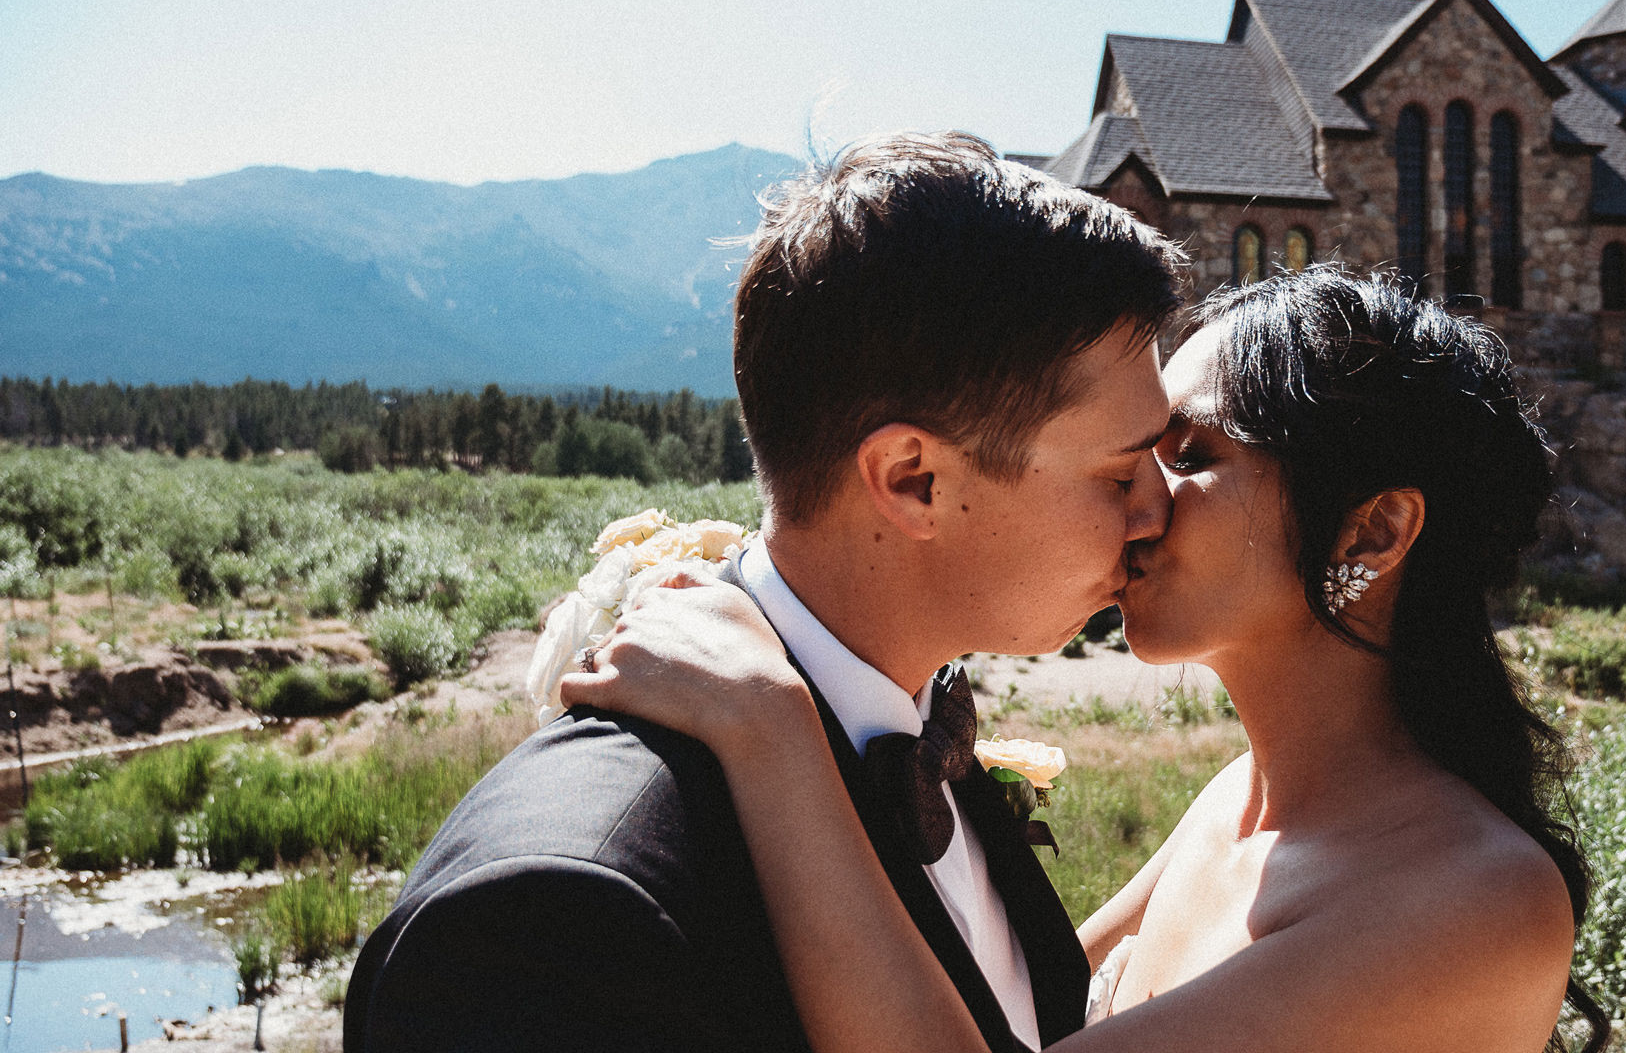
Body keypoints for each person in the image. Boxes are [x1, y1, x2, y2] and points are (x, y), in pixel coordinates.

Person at [562, 266, 1612, 1052]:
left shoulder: (1477, 899)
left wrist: (769, 726)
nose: (1138, 500)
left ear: (1371, 533)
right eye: (1130, 456)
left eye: (1192, 457)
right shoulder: (1235, 799)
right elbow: (1008, 1000)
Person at [342, 131, 1186, 1052]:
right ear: (913, 481)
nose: (1159, 512)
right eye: (1118, 474)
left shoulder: (923, 735)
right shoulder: (554, 916)